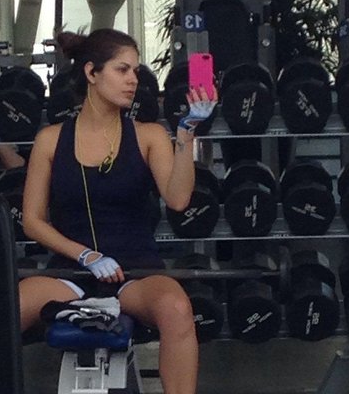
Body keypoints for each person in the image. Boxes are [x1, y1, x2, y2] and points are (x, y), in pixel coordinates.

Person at [20, 28, 217, 394]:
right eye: (122, 70)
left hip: (135, 273)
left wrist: (187, 134)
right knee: (3, 310)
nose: (133, 81)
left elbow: (178, 200)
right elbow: (32, 221)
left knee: (176, 308)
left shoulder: (149, 135)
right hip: (70, 272)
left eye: (136, 72)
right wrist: (85, 254)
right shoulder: (50, 140)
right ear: (91, 73)